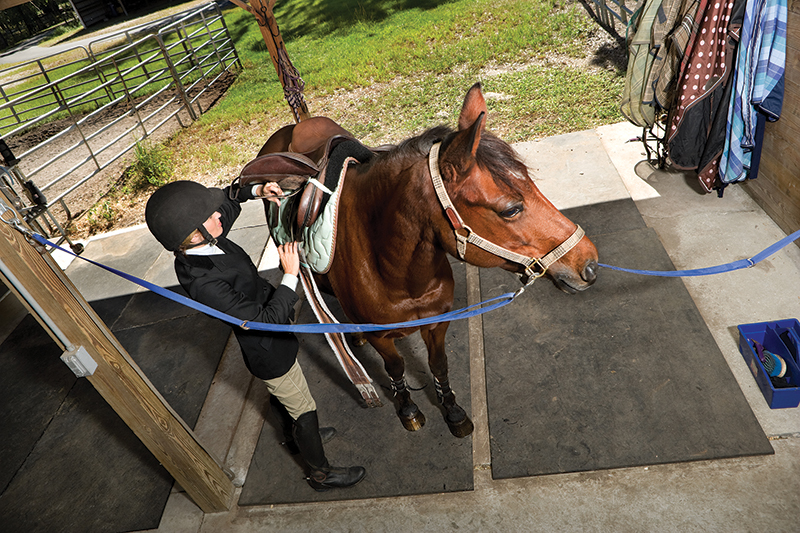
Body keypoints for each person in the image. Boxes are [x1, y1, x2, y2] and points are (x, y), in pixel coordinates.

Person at [145, 179, 365, 491]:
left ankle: (292, 439)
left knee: (280, 397)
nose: (218, 216)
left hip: (267, 338)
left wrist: (257, 191)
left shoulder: (203, 241)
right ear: (194, 234)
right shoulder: (204, 283)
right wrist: (290, 274)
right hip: (268, 348)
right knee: (304, 409)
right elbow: (266, 320)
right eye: (210, 217)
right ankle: (320, 473)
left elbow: (230, 200)